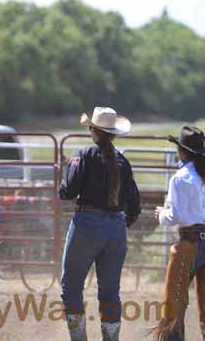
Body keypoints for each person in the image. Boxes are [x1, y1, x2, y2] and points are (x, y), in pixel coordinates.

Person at [59, 107, 141, 341]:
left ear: (93, 130)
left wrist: (63, 182)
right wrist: (121, 224)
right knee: (109, 292)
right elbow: (135, 206)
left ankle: (79, 338)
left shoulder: (83, 155)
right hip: (116, 229)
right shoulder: (123, 163)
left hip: (87, 225)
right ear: (113, 134)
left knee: (71, 287)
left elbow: (67, 191)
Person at [153, 125, 205, 340]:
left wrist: (161, 214)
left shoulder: (181, 178)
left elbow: (176, 217)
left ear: (182, 151)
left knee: (173, 304)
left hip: (189, 244)